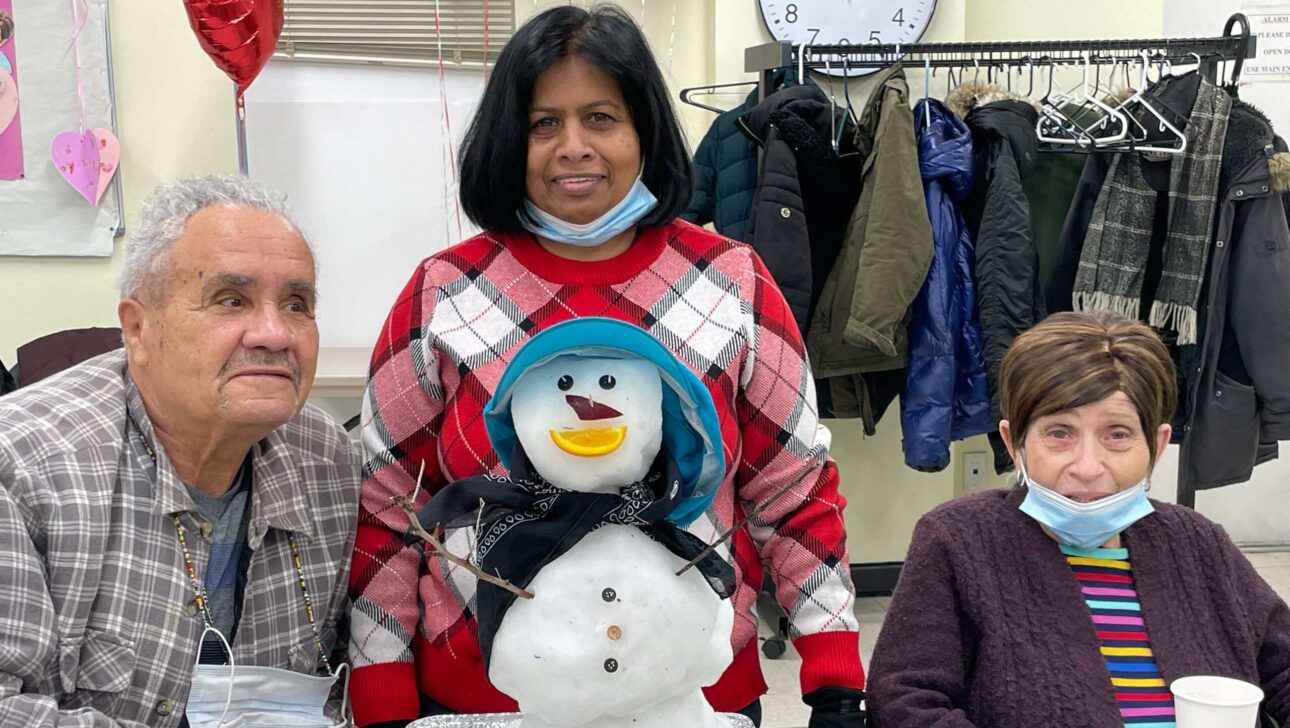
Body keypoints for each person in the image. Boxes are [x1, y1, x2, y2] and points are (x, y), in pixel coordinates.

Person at [347, 5, 865, 728]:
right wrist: (380, 685)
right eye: (543, 124)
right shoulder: (444, 292)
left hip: (693, 694)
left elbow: (794, 490)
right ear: (509, 139)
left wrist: (834, 674)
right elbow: (387, 504)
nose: (573, 147)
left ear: (643, 132)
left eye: (601, 117)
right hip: (483, 697)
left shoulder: (733, 282)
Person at [0, 175, 360, 727]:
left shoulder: (326, 460)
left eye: (296, 304)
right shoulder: (22, 461)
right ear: (138, 329)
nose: (274, 333)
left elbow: (339, 682)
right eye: (231, 299)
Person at [866, 311, 1290, 728]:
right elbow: (904, 700)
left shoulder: (1198, 543)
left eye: (1118, 434)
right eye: (1059, 433)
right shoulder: (958, 540)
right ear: (1015, 443)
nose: (1087, 467)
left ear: (1157, 446)